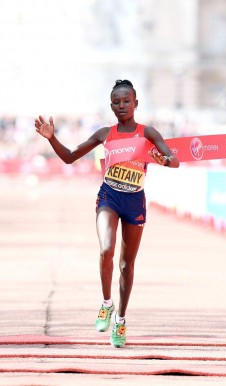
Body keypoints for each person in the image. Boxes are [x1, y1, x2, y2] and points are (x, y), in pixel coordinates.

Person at [35, 79, 179, 348]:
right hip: (109, 196)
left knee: (127, 265)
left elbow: (175, 160)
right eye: (116, 102)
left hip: (135, 200)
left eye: (127, 101)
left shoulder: (149, 133)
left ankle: (121, 320)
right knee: (106, 249)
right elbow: (69, 157)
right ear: (111, 105)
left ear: (136, 103)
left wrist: (165, 160)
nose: (122, 105)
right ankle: (106, 304)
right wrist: (51, 137)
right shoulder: (104, 134)